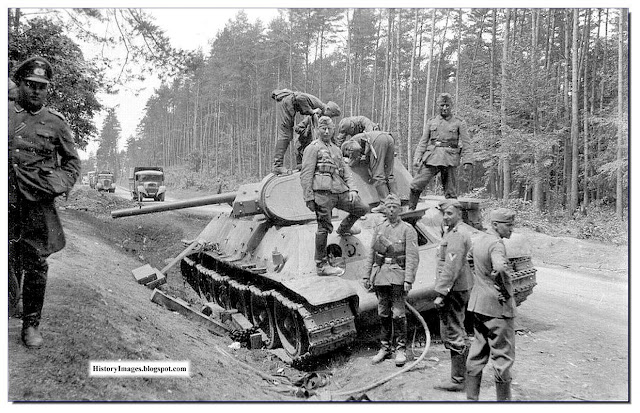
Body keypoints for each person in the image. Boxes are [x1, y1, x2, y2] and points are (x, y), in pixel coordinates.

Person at [8, 56, 81, 348]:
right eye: (30, 84)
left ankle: (30, 325)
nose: (36, 90)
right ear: (20, 85)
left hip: (36, 205)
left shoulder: (55, 123)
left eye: (41, 86)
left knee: (36, 263)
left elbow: (72, 164)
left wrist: (54, 185)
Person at [300, 116, 369, 277]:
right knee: (323, 227)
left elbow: (346, 172)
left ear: (333, 130)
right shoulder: (313, 148)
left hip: (339, 191)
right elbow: (306, 174)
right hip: (322, 193)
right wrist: (309, 197)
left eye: (329, 129)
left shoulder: (336, 149)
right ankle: (321, 265)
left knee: (362, 208)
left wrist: (353, 190)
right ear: (318, 130)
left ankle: (344, 228)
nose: (326, 131)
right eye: (323, 128)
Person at [466, 208, 517, 401]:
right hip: (498, 308)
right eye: (508, 224)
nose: (511, 228)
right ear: (495, 225)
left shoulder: (480, 239)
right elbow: (501, 268)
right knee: (503, 357)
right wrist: (504, 291)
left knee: (477, 352)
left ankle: (472, 400)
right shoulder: (496, 244)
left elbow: (470, 258)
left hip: (479, 305)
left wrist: (482, 281)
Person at [362, 194, 419, 367]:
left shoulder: (407, 229)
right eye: (389, 207)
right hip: (380, 276)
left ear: (400, 209)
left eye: (395, 207)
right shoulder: (380, 228)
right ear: (385, 209)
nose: (392, 210)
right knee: (383, 313)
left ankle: (400, 349)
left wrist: (409, 279)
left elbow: (412, 256)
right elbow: (371, 254)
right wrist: (366, 275)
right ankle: (385, 347)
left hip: (398, 276)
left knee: (398, 313)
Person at [432, 199, 474, 392]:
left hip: (454, 289)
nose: (446, 217)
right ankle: (465, 375)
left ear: (459, 214)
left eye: (450, 213)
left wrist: (441, 293)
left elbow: (451, 267)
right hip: (459, 287)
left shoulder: (457, 235)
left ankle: (458, 381)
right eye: (444, 214)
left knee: (453, 331)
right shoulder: (454, 231)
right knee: (459, 329)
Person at [408, 93, 472, 209]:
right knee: (416, 185)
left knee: (450, 192)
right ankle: (410, 210)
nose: (444, 108)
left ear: (451, 106)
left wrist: (467, 161)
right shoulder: (431, 121)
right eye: (442, 105)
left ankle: (453, 217)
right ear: (438, 106)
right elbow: (423, 141)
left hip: (450, 159)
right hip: (432, 157)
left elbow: (467, 143)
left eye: (447, 105)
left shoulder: (459, 122)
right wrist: (417, 156)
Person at [271, 88, 341, 175]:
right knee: (285, 135)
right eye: (331, 115)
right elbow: (300, 98)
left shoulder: (319, 112)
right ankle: (277, 166)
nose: (329, 117)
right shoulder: (318, 105)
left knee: (287, 135)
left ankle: (278, 165)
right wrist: (311, 111)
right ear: (328, 109)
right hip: (286, 102)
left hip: (288, 103)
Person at [341, 130, 396, 212]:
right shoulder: (360, 138)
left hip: (377, 142)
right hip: (388, 137)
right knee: (389, 174)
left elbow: (355, 149)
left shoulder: (350, 143)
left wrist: (350, 161)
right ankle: (395, 202)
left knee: (378, 174)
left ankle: (384, 204)